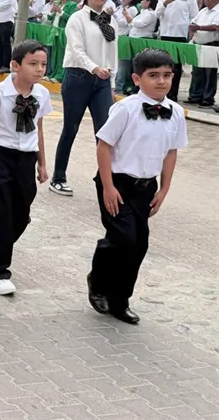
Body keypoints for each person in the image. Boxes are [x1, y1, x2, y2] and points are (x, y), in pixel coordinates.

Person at [87, 49, 187, 325]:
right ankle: (98, 282)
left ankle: (120, 300)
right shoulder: (126, 108)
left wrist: (163, 190)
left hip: (146, 187)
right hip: (117, 182)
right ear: (137, 78)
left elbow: (171, 153)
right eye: (153, 75)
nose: (161, 81)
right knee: (124, 239)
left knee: (138, 244)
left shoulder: (176, 112)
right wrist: (107, 186)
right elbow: (104, 146)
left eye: (167, 75)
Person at [0, 40, 52, 295]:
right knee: (3, 212)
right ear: (16, 65)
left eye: (43, 64)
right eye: (33, 64)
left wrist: (42, 162)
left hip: (26, 158)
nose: (39, 69)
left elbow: (38, 128)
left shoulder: (41, 94)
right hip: (1, 156)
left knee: (22, 214)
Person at [49, 0, 118, 197]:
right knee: (70, 129)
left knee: (105, 132)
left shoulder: (110, 20)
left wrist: (111, 81)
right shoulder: (77, 19)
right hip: (78, 77)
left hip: (103, 81)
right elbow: (76, 50)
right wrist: (93, 67)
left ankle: (105, 179)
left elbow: (112, 52)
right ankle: (58, 178)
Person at [155, 0, 199, 101]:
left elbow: (194, 16)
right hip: (165, 35)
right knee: (163, 65)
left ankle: (173, 94)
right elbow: (157, 14)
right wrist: (166, 3)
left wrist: (190, 33)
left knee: (177, 67)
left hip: (179, 36)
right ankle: (162, 92)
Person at [186, 0, 219, 108]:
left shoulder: (218, 11)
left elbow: (216, 27)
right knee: (197, 72)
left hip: (211, 44)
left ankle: (207, 98)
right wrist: (192, 29)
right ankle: (195, 96)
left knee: (209, 73)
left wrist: (199, 27)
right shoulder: (203, 11)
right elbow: (193, 22)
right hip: (198, 43)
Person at [113, 0, 142, 94]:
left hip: (124, 37)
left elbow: (124, 23)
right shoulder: (120, 7)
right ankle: (115, 83)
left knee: (122, 65)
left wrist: (114, 15)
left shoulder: (132, 9)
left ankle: (119, 86)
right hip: (115, 36)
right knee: (115, 63)